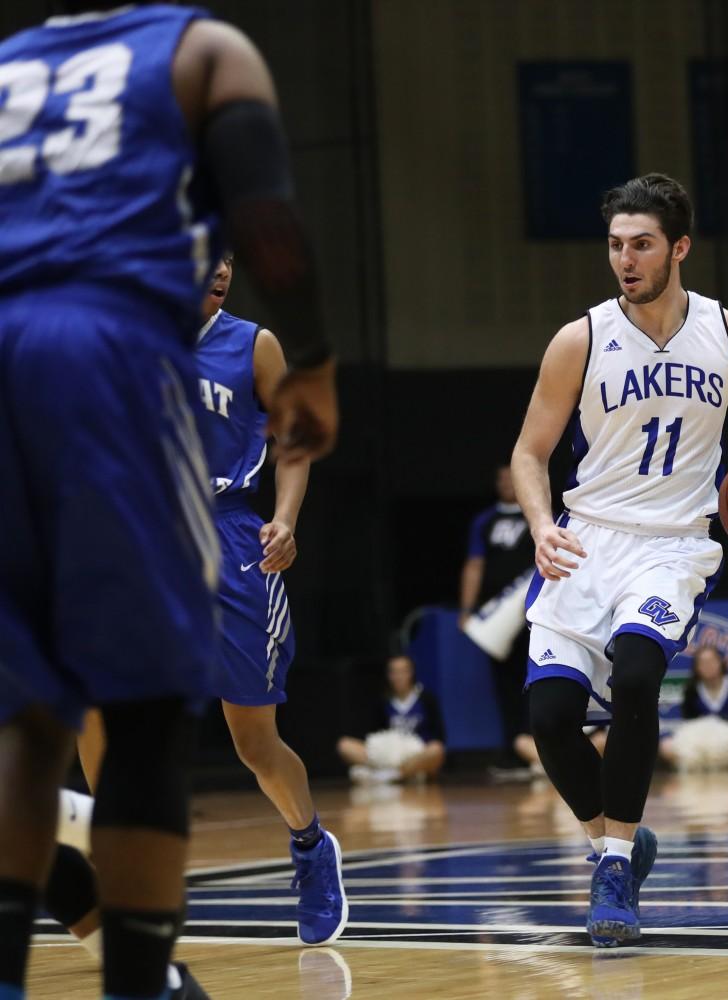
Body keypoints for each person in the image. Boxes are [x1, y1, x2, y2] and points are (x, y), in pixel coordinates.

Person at [0, 5, 337, 999]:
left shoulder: (9, 66)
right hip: (106, 358)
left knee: (27, 716)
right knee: (146, 716)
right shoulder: (201, 50)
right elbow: (265, 215)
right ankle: (144, 983)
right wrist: (314, 361)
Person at [511, 173, 728, 946]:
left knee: (639, 675)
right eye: (616, 245)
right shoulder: (578, 340)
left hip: (673, 542)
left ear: (678, 248)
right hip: (587, 539)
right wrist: (538, 524)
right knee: (548, 719)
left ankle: (613, 864)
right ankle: (614, 839)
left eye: (641, 244)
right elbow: (528, 453)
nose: (625, 259)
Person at [76, 256, 347, 946]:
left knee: (254, 742)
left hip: (229, 538)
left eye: (225, 257)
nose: (219, 268)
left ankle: (310, 844)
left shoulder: (252, 343)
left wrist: (285, 518)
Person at [459, 465, 535, 767]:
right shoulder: (485, 521)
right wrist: (467, 608)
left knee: (538, 678)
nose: (506, 483)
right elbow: (474, 564)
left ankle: (541, 751)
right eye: (501, 478)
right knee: (504, 685)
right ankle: (514, 752)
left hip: (533, 612)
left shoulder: (538, 515)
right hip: (497, 617)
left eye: (511, 478)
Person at [336, 654, 446, 783]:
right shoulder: (383, 701)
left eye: (403, 671)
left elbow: (439, 736)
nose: (399, 677)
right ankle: (401, 774)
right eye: (394, 672)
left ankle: (395, 774)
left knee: (436, 750)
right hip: (386, 756)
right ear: (388, 675)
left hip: (415, 754)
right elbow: (373, 735)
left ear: (411, 673)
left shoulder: (426, 699)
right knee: (344, 745)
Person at [659, 646, 728, 766]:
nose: (708, 666)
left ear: (721, 662)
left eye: (712, 661)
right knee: (667, 747)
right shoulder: (691, 689)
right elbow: (689, 721)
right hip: (702, 742)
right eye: (703, 663)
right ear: (696, 667)